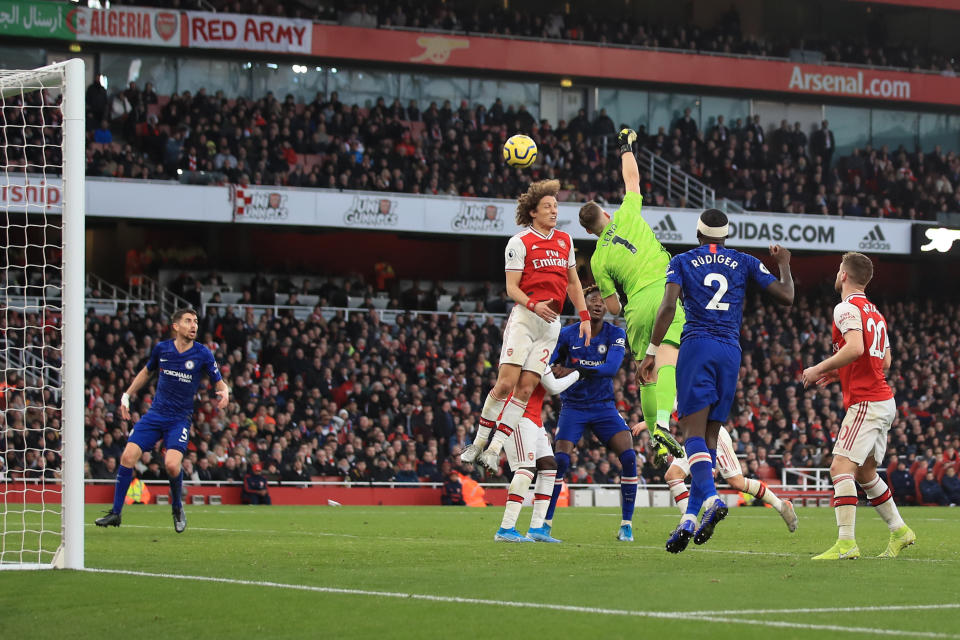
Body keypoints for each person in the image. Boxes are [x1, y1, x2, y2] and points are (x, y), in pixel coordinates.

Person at [640, 209, 794, 553]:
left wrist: (652, 351)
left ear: (698, 233)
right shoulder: (744, 261)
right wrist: (783, 262)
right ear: (725, 236)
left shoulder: (682, 260)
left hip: (697, 345)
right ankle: (690, 519)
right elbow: (787, 296)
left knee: (691, 434)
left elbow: (667, 307)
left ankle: (710, 499)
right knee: (708, 441)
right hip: (730, 351)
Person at [459, 179, 592, 537]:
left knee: (528, 387)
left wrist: (583, 317)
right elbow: (512, 288)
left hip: (552, 324)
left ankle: (495, 453)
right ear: (533, 211)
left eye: (555, 205)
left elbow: (574, 284)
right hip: (527, 317)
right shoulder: (519, 243)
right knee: (506, 383)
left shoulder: (565, 242)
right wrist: (534, 305)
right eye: (548, 205)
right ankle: (479, 444)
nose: (554, 210)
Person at [579, 128, 684, 466]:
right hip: (664, 291)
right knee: (667, 361)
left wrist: (623, 304)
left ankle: (657, 437)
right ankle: (664, 426)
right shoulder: (626, 213)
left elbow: (611, 307)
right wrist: (626, 146)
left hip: (636, 307)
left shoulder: (597, 259)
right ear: (605, 215)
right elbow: (632, 178)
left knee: (646, 373)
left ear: (588, 230)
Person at [802, 252, 915, 560]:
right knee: (865, 472)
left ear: (844, 276)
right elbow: (885, 361)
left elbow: (855, 348)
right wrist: (840, 373)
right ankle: (901, 531)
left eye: (839, 269)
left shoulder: (846, 308)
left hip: (867, 400)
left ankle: (847, 542)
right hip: (882, 400)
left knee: (840, 467)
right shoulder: (876, 313)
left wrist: (819, 369)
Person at [95, 308, 228, 532]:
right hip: (156, 414)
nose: (194, 325)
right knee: (127, 457)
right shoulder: (162, 349)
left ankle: (177, 507)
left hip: (179, 419)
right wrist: (127, 395)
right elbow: (146, 372)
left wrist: (225, 392)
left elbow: (219, 381)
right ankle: (116, 513)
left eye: (195, 321)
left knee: (172, 465)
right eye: (188, 321)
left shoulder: (203, 353)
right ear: (176, 326)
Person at [542, 285, 639, 542]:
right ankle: (545, 524)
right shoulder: (567, 334)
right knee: (560, 461)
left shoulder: (616, 333)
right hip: (573, 406)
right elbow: (549, 362)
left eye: (601, 301)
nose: (598, 304)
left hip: (604, 406)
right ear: (581, 305)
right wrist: (555, 367)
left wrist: (574, 371)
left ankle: (626, 525)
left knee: (629, 456)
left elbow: (611, 368)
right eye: (592, 300)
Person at [495, 369, 579, 543]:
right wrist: (579, 373)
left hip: (534, 417)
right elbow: (554, 387)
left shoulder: (538, 353)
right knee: (526, 467)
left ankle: (536, 528)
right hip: (517, 416)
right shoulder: (532, 353)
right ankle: (505, 528)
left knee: (549, 465)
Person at [665, 425, 798, 532]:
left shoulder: (674, 394)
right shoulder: (666, 396)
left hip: (713, 435)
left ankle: (781, 505)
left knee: (737, 482)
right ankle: (689, 523)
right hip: (695, 437)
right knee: (672, 475)